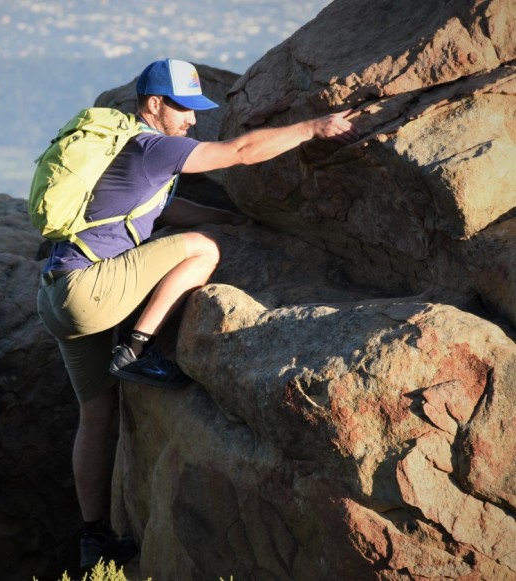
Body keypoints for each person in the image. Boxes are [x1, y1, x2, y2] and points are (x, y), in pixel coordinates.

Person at [36, 58, 359, 569]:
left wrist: (228, 217)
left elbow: (161, 209)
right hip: (89, 292)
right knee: (203, 251)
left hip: (57, 294)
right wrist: (311, 127)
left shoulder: (125, 150)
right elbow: (241, 151)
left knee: (96, 417)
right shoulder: (152, 145)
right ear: (154, 105)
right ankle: (136, 349)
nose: (192, 120)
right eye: (184, 109)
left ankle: (93, 536)